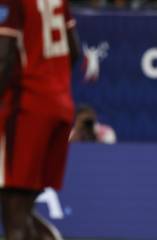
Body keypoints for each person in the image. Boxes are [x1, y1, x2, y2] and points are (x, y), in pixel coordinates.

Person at [0, 0, 80, 239]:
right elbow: (74, 51)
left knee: (14, 214)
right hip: (60, 108)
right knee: (22, 209)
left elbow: (4, 58)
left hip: (27, 110)